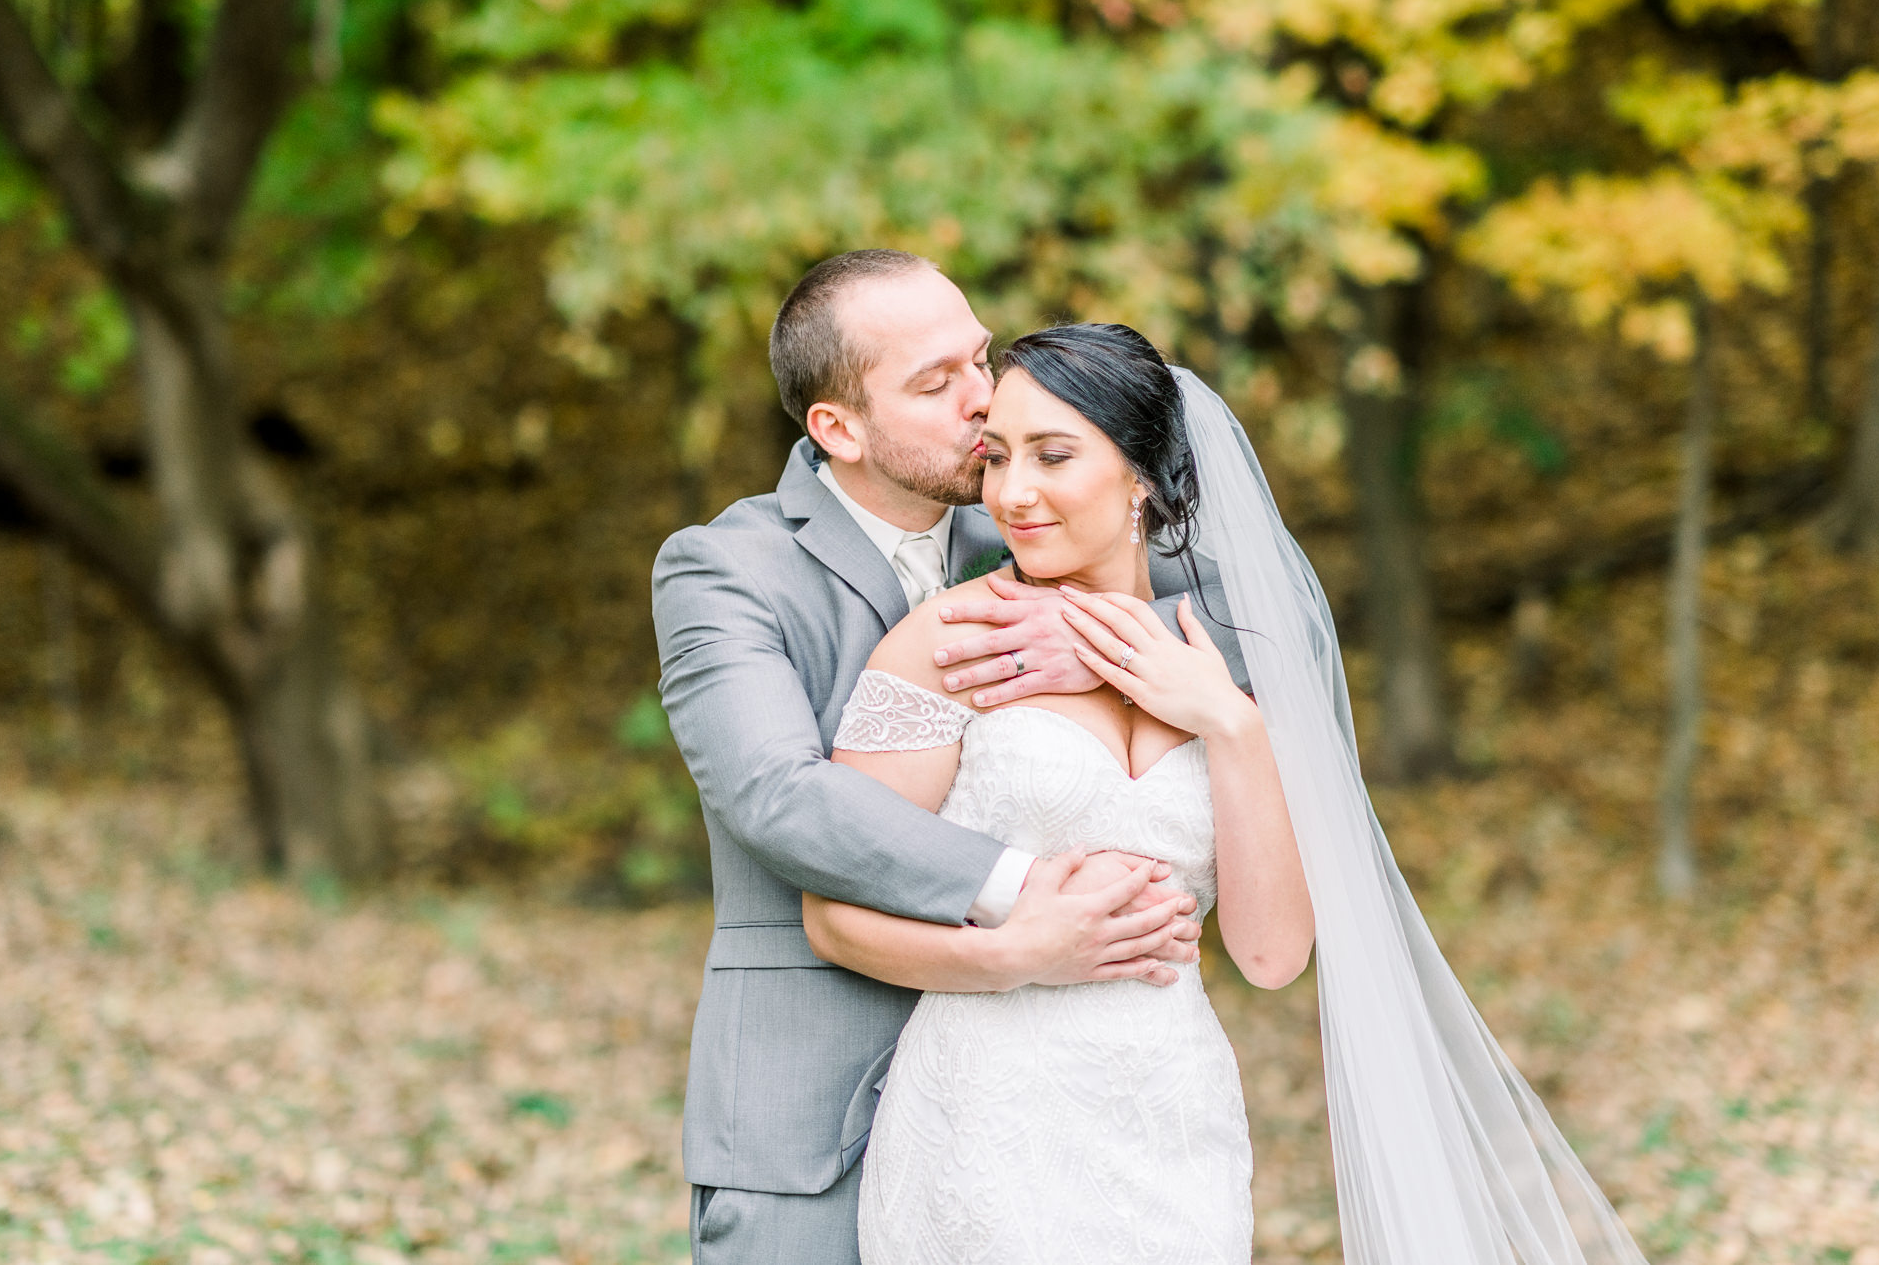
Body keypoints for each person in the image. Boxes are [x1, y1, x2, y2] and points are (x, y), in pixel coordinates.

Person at [808, 323, 1653, 1265]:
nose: (1012, 491)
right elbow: (836, 918)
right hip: (982, 1120)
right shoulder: (953, 644)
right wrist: (1021, 953)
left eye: (1053, 455)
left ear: (1142, 477)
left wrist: (1232, 726)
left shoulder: (1229, 670)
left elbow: (1270, 954)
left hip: (1172, 1116)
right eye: (996, 456)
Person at [650, 251, 1249, 1264]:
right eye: (936, 384)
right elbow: (776, 794)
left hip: (1058, 1110)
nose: (985, 401)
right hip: (812, 1106)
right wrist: (1022, 897)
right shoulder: (724, 569)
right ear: (836, 428)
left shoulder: (1042, 509)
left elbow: (1265, 629)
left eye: (979, 358)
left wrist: (1109, 637)